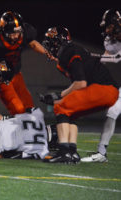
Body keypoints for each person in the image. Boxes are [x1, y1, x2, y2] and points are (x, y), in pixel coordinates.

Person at [40, 26, 119, 164]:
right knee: (71, 112)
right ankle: (72, 152)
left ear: (57, 42)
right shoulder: (71, 50)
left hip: (102, 88)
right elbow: (79, 86)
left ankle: (64, 152)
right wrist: (59, 96)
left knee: (61, 107)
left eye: (50, 43)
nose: (48, 47)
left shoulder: (68, 51)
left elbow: (80, 83)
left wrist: (58, 96)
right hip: (109, 90)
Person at [0, 11, 53, 119]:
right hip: (1, 78)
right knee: (18, 108)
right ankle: (16, 132)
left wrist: (48, 53)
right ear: (3, 31)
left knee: (29, 107)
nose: (16, 36)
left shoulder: (26, 31)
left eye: (18, 32)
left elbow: (33, 44)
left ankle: (28, 133)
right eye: (12, 33)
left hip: (16, 74)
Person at [81, 9, 121, 163]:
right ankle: (102, 152)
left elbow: (117, 58)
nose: (107, 31)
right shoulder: (111, 41)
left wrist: (94, 56)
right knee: (112, 112)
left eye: (109, 27)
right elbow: (106, 58)